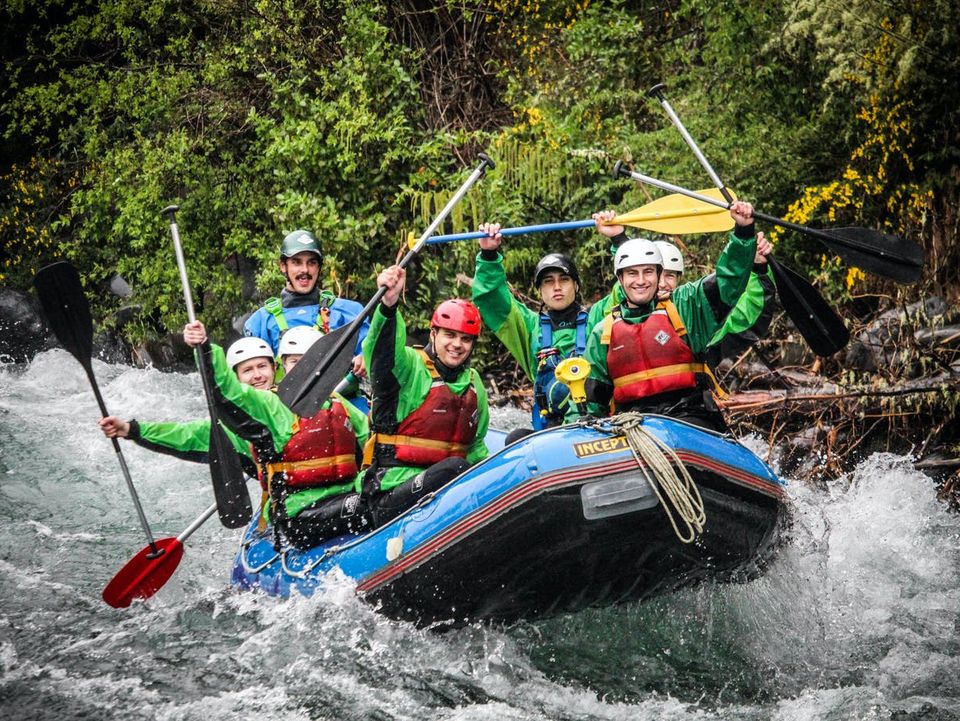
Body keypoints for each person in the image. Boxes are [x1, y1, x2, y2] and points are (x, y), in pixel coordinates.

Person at [576, 201, 771, 431]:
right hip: (632, 425)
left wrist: (743, 231)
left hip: (690, 415)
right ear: (620, 279)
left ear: (659, 274)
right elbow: (594, 401)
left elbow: (728, 280)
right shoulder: (603, 332)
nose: (640, 281)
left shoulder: (685, 306)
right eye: (632, 273)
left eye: (648, 272)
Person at [183, 320, 371, 549]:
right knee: (373, 504)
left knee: (380, 494)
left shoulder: (336, 402)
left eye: (311, 362)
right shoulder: (270, 406)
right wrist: (204, 348)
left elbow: (371, 440)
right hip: (300, 512)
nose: (307, 370)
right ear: (283, 366)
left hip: (343, 494)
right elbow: (229, 393)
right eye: (296, 363)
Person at [361, 265, 489, 527]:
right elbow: (380, 352)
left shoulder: (474, 384)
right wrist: (388, 306)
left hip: (446, 491)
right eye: (450, 335)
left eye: (465, 339)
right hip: (391, 489)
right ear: (433, 334)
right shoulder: (409, 366)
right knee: (454, 468)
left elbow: (476, 448)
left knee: (458, 468)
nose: (457, 345)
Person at [471, 222, 589, 430]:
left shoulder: (597, 319)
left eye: (564, 279)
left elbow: (630, 293)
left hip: (597, 425)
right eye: (548, 281)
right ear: (539, 291)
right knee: (514, 438)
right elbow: (492, 299)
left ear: (576, 285)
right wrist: (489, 255)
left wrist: (617, 239)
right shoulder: (529, 327)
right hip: (551, 429)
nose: (557, 287)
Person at [243, 229, 369, 376]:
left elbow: (375, 354)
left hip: (342, 396)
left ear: (319, 267)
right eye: (296, 262)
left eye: (311, 263)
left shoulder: (349, 312)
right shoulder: (260, 322)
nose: (305, 270)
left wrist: (366, 356)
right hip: (284, 398)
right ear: (283, 266)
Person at [651, 237, 778, 366]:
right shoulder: (630, 318)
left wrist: (759, 268)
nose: (662, 284)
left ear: (678, 279)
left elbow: (747, 316)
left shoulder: (694, 318)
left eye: (670, 275)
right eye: (656, 274)